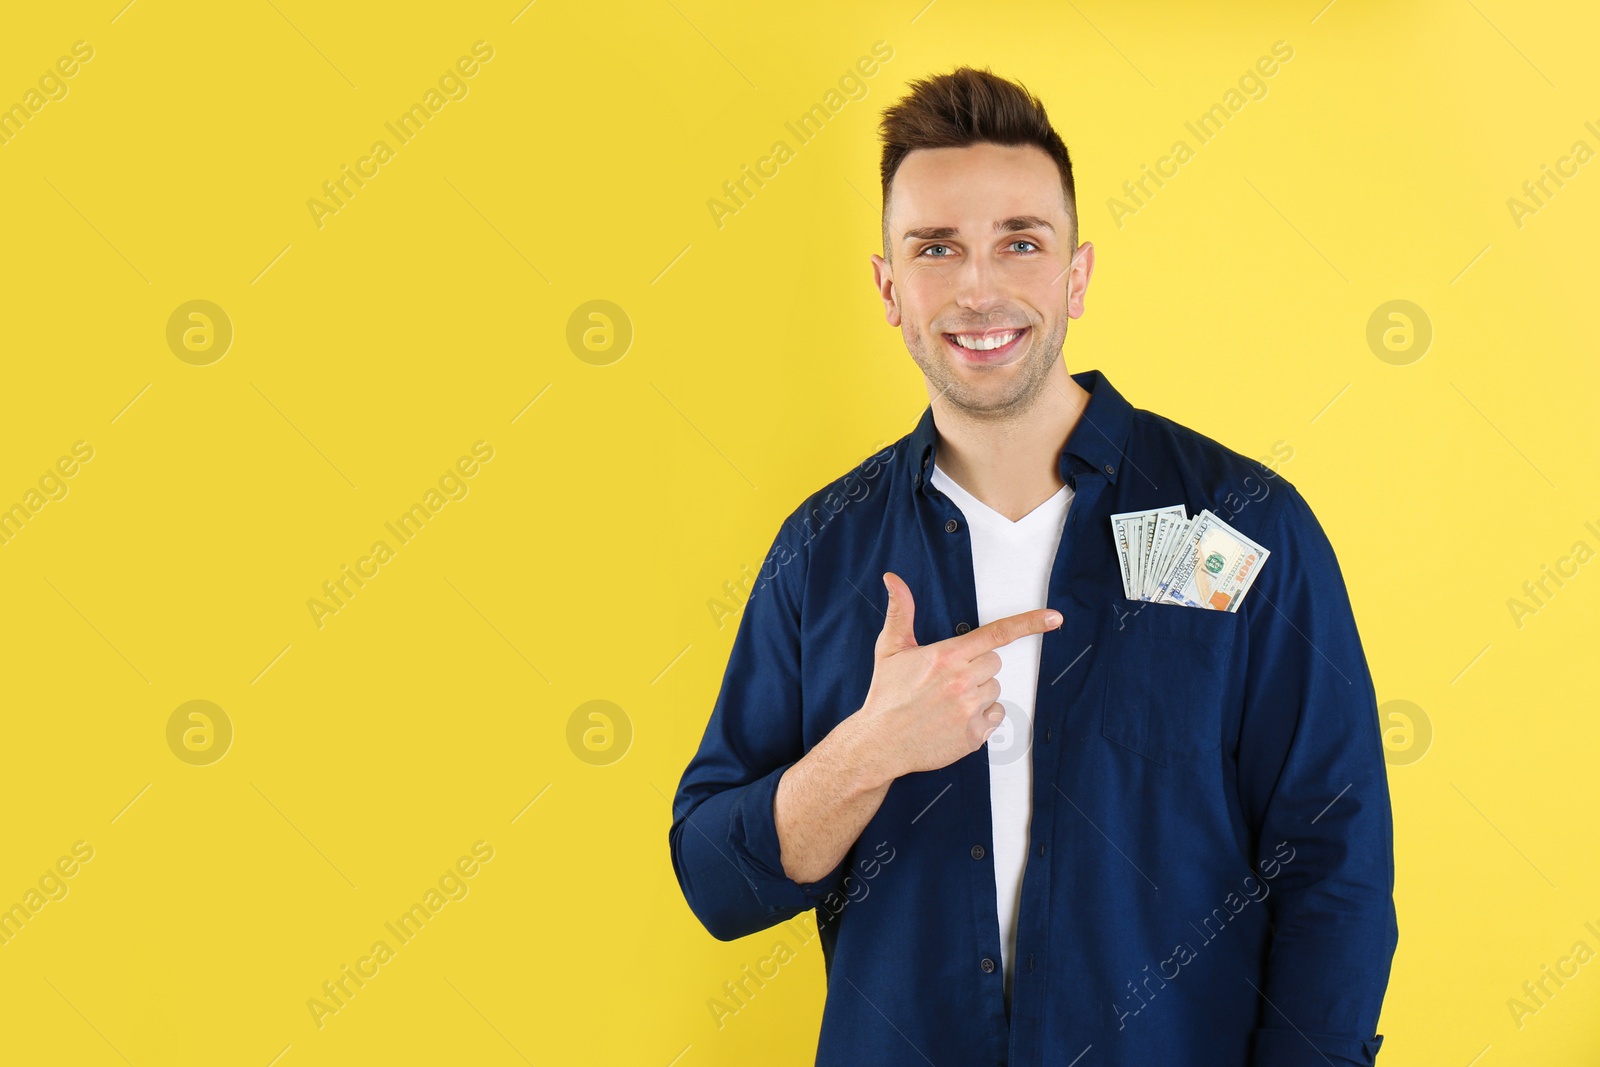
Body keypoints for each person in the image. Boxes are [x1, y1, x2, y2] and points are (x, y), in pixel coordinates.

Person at [668, 65, 1396, 1067]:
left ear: (1075, 275)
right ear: (888, 287)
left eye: (1020, 241)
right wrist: (868, 749)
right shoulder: (822, 551)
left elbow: (1334, 861)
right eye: (935, 249)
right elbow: (717, 879)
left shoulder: (1233, 525)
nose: (977, 287)